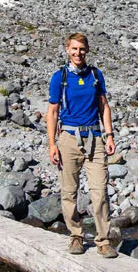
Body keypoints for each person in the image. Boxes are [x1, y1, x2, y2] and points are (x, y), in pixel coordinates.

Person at [46, 32, 118, 257]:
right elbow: (53, 111)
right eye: (74, 49)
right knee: (69, 191)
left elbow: (103, 106)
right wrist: (52, 144)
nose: (78, 53)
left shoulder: (95, 75)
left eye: (82, 49)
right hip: (68, 138)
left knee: (99, 191)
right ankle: (76, 236)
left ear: (87, 51)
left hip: (95, 139)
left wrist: (110, 135)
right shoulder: (60, 77)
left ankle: (103, 240)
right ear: (67, 49)